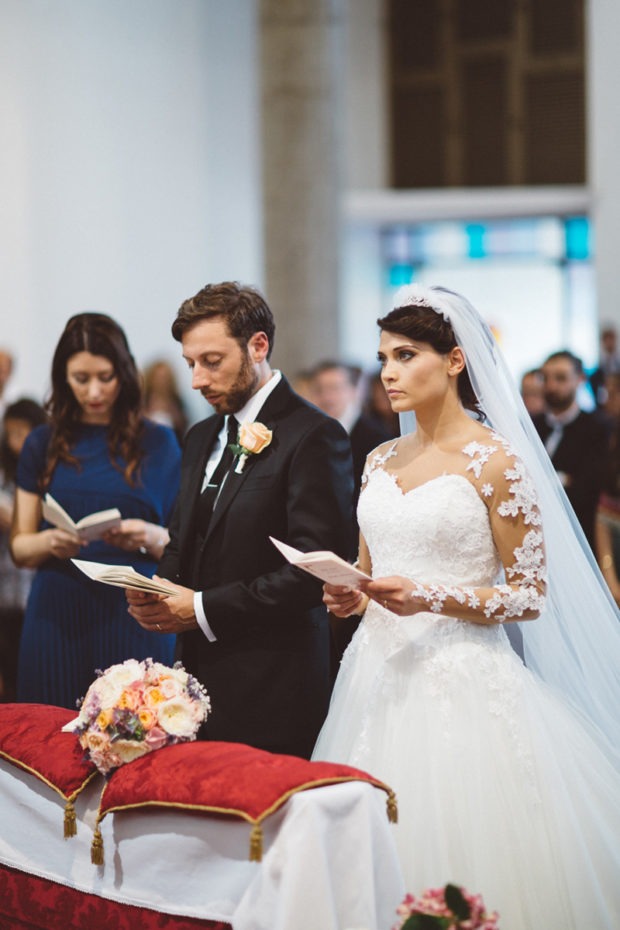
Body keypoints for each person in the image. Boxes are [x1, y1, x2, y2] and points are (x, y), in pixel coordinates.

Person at [313, 284, 620, 929]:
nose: (389, 373)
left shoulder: (497, 462)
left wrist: (428, 596)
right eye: (384, 358)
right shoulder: (377, 459)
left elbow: (529, 594)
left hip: (465, 681)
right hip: (373, 679)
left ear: (454, 361)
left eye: (406, 356)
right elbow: (370, 570)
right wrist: (349, 593)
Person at [126, 281, 355, 758]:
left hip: (275, 682)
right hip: (192, 680)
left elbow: (313, 572)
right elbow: (183, 539)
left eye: (212, 361)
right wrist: (157, 590)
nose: (197, 380)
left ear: (258, 346)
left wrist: (201, 608)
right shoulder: (199, 435)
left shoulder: (314, 435)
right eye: (191, 363)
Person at [10, 313, 181, 709]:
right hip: (57, 608)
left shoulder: (158, 442)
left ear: (124, 372)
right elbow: (20, 547)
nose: (94, 391)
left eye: (105, 377)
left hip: (135, 606)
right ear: (63, 378)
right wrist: (49, 541)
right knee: (49, 728)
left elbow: (182, 544)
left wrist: (149, 535)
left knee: (136, 726)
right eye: (80, 378)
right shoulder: (42, 443)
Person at [532, 349, 611, 549]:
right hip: (536, 530)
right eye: (545, 378)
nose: (551, 386)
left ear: (580, 379)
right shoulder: (532, 426)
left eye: (560, 378)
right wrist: (563, 479)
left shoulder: (598, 428)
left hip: (579, 532)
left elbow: (589, 487)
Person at [0, 399, 47, 701]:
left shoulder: (49, 472)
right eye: (11, 434)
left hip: (34, 584)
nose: (16, 442)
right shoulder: (5, 474)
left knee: (29, 665)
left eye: (22, 433)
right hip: (5, 582)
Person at [142, 357, 190, 442]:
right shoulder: (144, 399)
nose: (161, 381)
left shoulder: (176, 400)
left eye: (164, 377)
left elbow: (185, 423)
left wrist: (171, 412)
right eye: (158, 377)